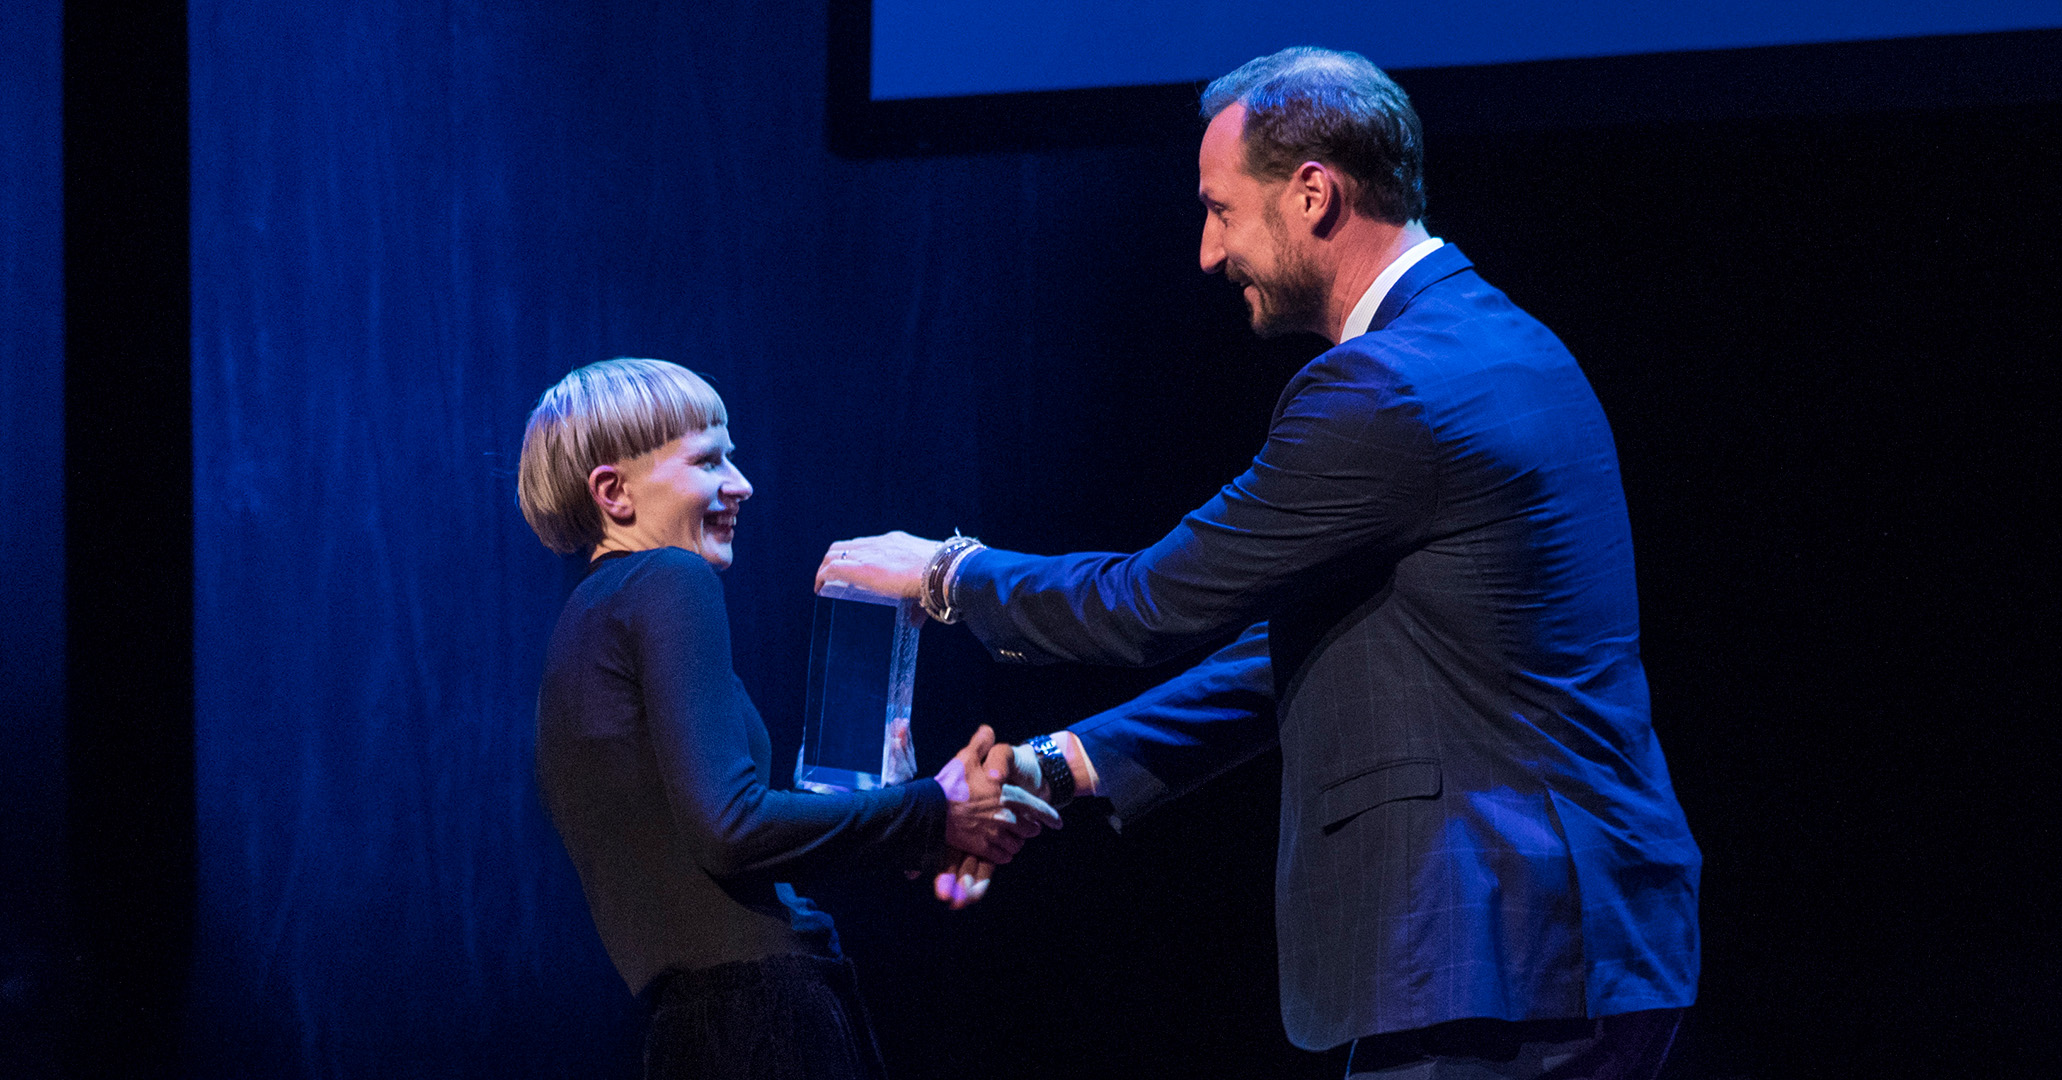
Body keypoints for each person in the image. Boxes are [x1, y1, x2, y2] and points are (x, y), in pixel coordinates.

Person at [816, 47, 1700, 1080]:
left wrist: (944, 575)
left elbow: (1148, 602)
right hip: (1563, 946)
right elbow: (1308, 645)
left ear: (1313, 194)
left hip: (1498, 949)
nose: (1204, 252)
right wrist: (1055, 766)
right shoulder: (1503, 345)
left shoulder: (1384, 389)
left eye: (1220, 209)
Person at [518, 357, 1055, 1080]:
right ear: (614, 492)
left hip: (688, 1034)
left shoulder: (580, 630)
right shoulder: (669, 580)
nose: (742, 484)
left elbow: (703, 846)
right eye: (709, 460)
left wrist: (904, 816)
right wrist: (935, 812)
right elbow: (731, 830)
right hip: (764, 1026)